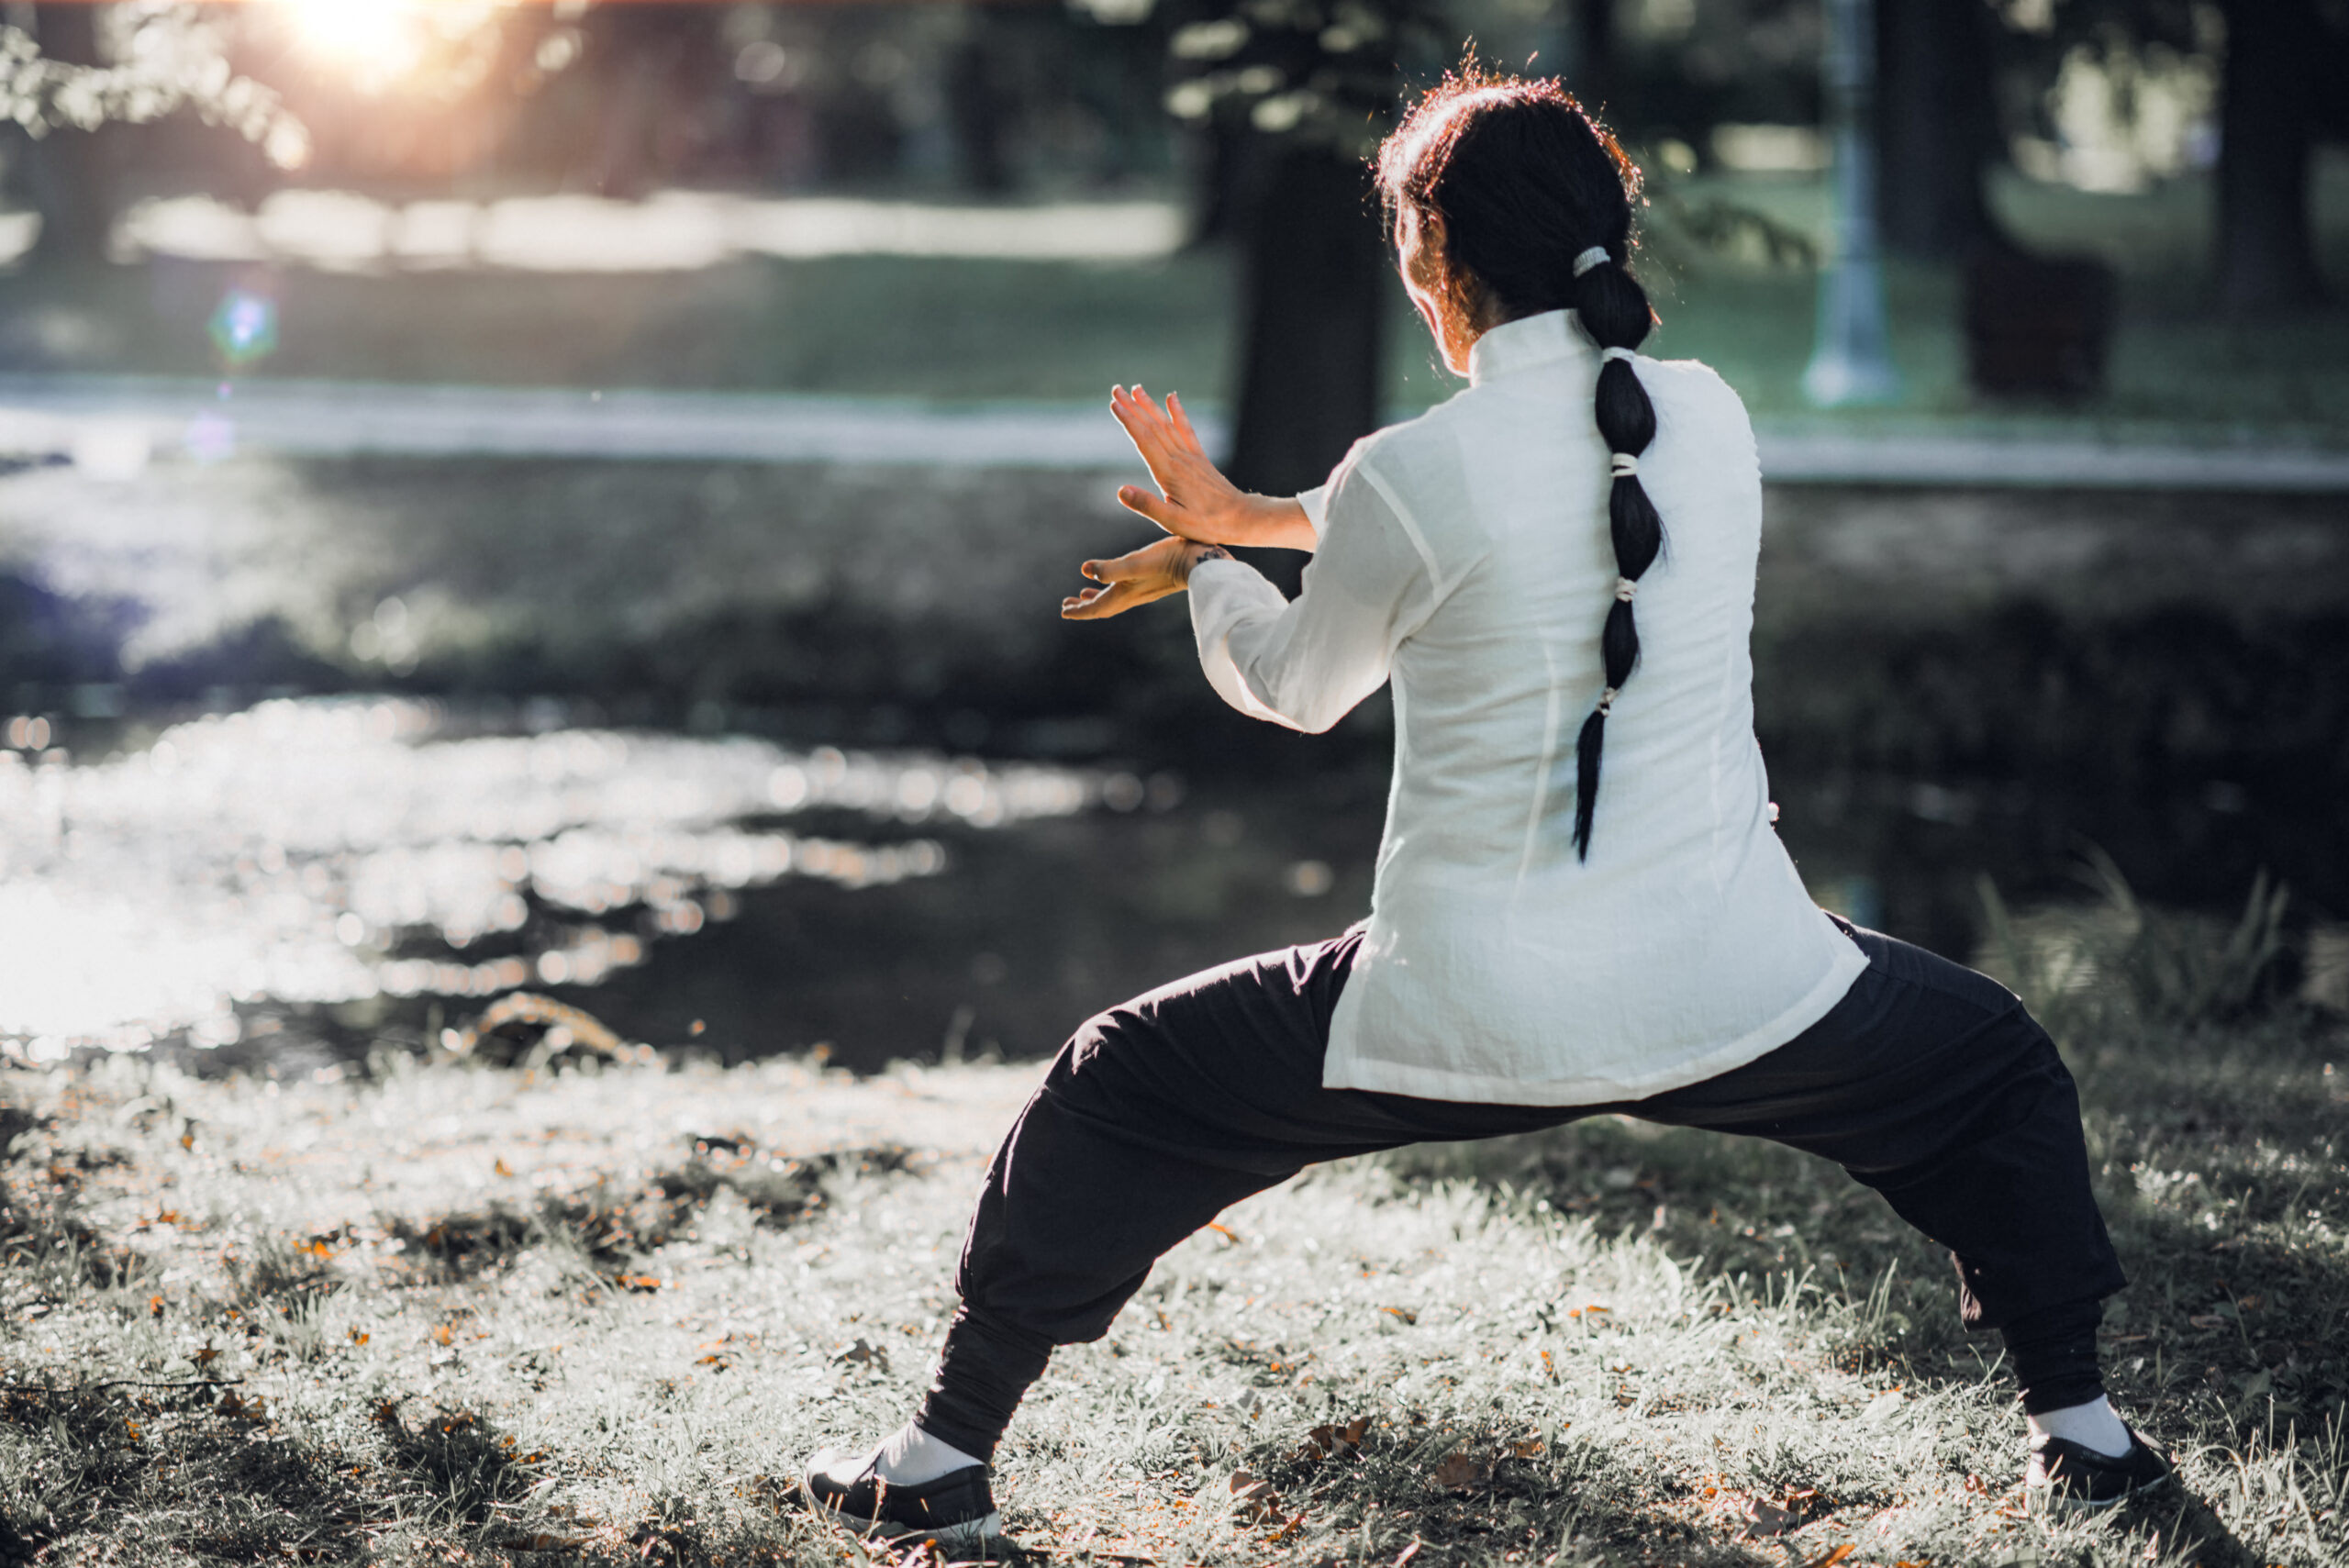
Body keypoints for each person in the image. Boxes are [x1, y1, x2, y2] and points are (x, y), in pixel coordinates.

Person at [801, 71, 2170, 1548]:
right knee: (1995, 1066)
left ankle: (939, 1458)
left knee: (1113, 1081)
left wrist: (1205, 572)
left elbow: (1295, 682)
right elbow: (1503, 503)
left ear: (1435, 257)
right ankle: (2083, 1435)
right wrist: (1249, 515)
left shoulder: (1414, 475)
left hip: (1457, 1016)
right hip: (1741, 983)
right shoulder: (1706, 422)